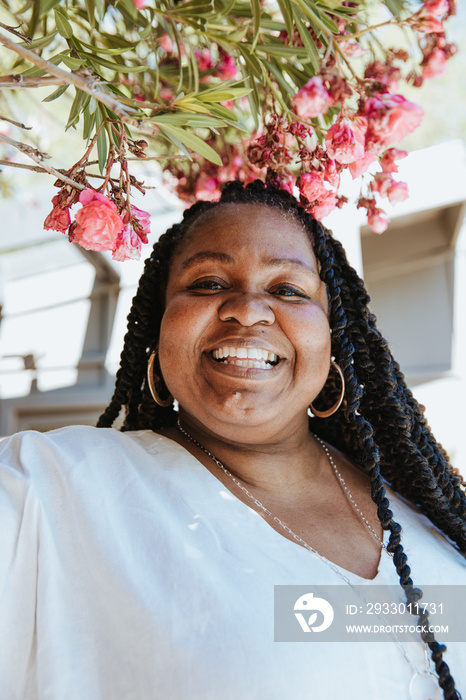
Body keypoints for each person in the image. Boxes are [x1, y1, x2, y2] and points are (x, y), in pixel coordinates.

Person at [0, 179, 465, 700]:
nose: (247, 309)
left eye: (287, 290)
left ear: (334, 339)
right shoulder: (46, 487)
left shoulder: (422, 510)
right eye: (207, 284)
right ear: (157, 329)